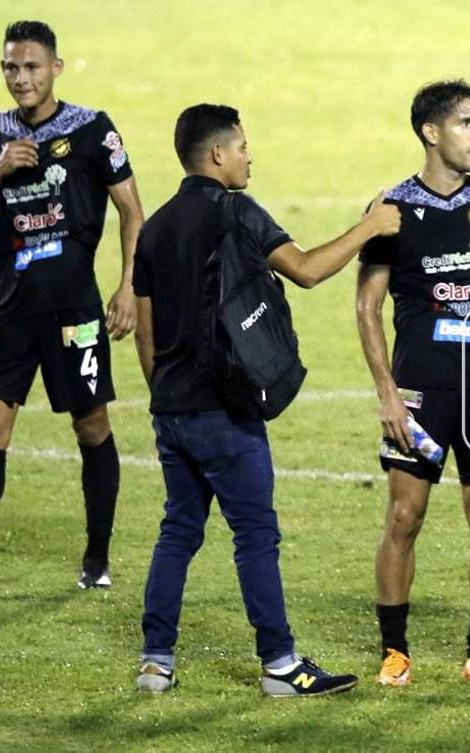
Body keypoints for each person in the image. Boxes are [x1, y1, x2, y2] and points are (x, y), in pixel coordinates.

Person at [132, 103, 401, 696]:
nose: (250, 156)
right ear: (217, 155)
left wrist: (166, 395)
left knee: (178, 529)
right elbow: (305, 271)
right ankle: (281, 664)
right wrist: (370, 227)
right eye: (243, 146)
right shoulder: (236, 211)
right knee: (255, 534)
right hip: (225, 412)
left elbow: (146, 330)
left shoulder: (154, 226)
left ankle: (156, 661)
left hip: (171, 410)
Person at [0, 20, 144, 596]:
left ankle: (96, 557)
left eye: (32, 67)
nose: (21, 78)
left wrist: (127, 289)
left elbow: (133, 211)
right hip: (10, 309)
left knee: (91, 426)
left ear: (56, 68)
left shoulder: (93, 129)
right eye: (11, 68)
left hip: (75, 312)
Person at [357, 80, 470, 687]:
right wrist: (385, 391)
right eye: (466, 123)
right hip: (419, 386)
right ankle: (394, 650)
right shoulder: (392, 210)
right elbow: (367, 307)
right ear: (432, 133)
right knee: (404, 515)